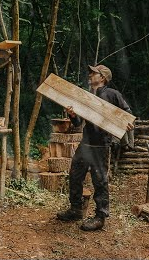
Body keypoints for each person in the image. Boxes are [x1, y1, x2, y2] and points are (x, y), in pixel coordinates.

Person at [56, 64, 134, 231]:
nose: (90, 75)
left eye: (94, 73)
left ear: (103, 77)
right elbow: (78, 124)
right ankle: (76, 210)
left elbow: (128, 115)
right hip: (85, 143)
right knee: (75, 175)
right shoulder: (86, 96)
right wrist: (72, 115)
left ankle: (100, 217)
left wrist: (126, 124)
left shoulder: (113, 94)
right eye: (90, 73)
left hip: (101, 145)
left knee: (99, 181)